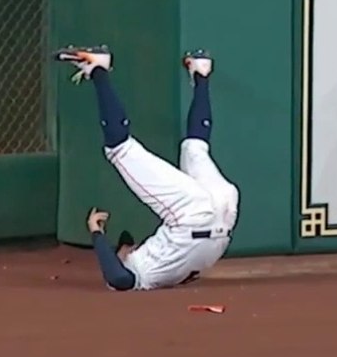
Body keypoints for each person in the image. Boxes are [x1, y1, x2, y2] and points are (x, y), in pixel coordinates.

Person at [54, 45, 239, 291]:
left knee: (194, 148)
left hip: (223, 215)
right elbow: (118, 279)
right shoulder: (140, 274)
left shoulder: (160, 269)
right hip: (191, 217)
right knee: (119, 150)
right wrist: (96, 233)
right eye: (122, 249)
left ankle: (201, 72)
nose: (128, 247)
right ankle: (97, 69)